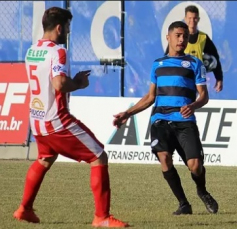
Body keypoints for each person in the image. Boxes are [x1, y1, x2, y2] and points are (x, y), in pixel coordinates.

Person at [13, 7, 129, 227]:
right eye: (67, 27)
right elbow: (59, 83)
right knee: (99, 157)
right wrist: (78, 83)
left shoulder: (31, 50)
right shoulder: (59, 51)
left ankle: (24, 209)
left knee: (45, 159)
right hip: (57, 120)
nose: (68, 31)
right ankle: (101, 217)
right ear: (59, 27)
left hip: (36, 121)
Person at [113, 21, 219, 215]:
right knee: (165, 158)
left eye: (185, 36)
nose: (182, 40)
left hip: (185, 121)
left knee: (195, 166)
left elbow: (204, 96)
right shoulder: (157, 64)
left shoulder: (195, 63)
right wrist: (127, 113)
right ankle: (183, 204)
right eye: (178, 35)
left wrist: (193, 105)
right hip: (160, 119)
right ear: (168, 37)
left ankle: (202, 191)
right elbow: (150, 97)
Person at [165, 5, 223, 92]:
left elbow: (215, 58)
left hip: (197, 78)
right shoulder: (179, 37)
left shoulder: (203, 38)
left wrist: (219, 78)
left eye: (194, 18)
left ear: (198, 19)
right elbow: (168, 56)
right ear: (185, 19)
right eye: (189, 18)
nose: (192, 21)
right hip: (181, 76)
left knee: (196, 102)